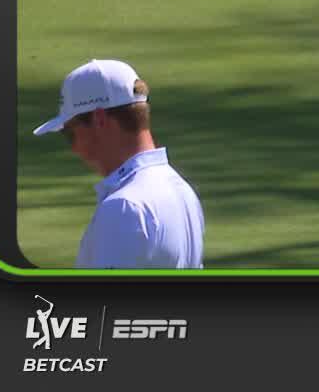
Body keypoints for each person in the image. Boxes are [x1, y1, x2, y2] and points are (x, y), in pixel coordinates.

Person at [31, 59, 205, 269]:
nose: (74, 149)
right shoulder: (181, 190)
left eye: (70, 134)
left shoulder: (124, 207)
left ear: (99, 119)